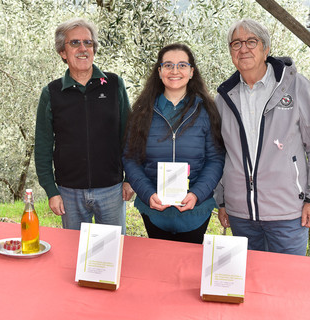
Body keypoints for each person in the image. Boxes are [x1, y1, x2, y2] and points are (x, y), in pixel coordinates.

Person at [215, 18, 310, 255]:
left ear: (266, 49)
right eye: (236, 44)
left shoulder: (296, 87)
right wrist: (223, 201)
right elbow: (219, 153)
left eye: (251, 41)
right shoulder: (224, 97)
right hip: (240, 214)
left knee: (285, 285)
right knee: (248, 285)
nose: (243, 48)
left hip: (287, 213)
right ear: (230, 52)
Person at [35, 18, 133, 233]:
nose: (83, 48)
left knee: (114, 254)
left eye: (88, 43)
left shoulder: (114, 84)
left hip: (112, 190)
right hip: (69, 193)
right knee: (73, 256)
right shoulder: (51, 93)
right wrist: (51, 191)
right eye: (75, 43)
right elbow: (43, 145)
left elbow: (130, 135)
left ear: (94, 49)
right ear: (62, 52)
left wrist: (130, 179)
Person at [123, 43, 225, 244]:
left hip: (196, 210)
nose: (175, 71)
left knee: (189, 268)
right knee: (160, 265)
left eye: (182, 65)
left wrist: (197, 194)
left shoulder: (207, 111)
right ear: (159, 71)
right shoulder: (142, 112)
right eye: (168, 65)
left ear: (191, 71)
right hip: (154, 209)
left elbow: (215, 159)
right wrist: (147, 193)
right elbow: (130, 158)